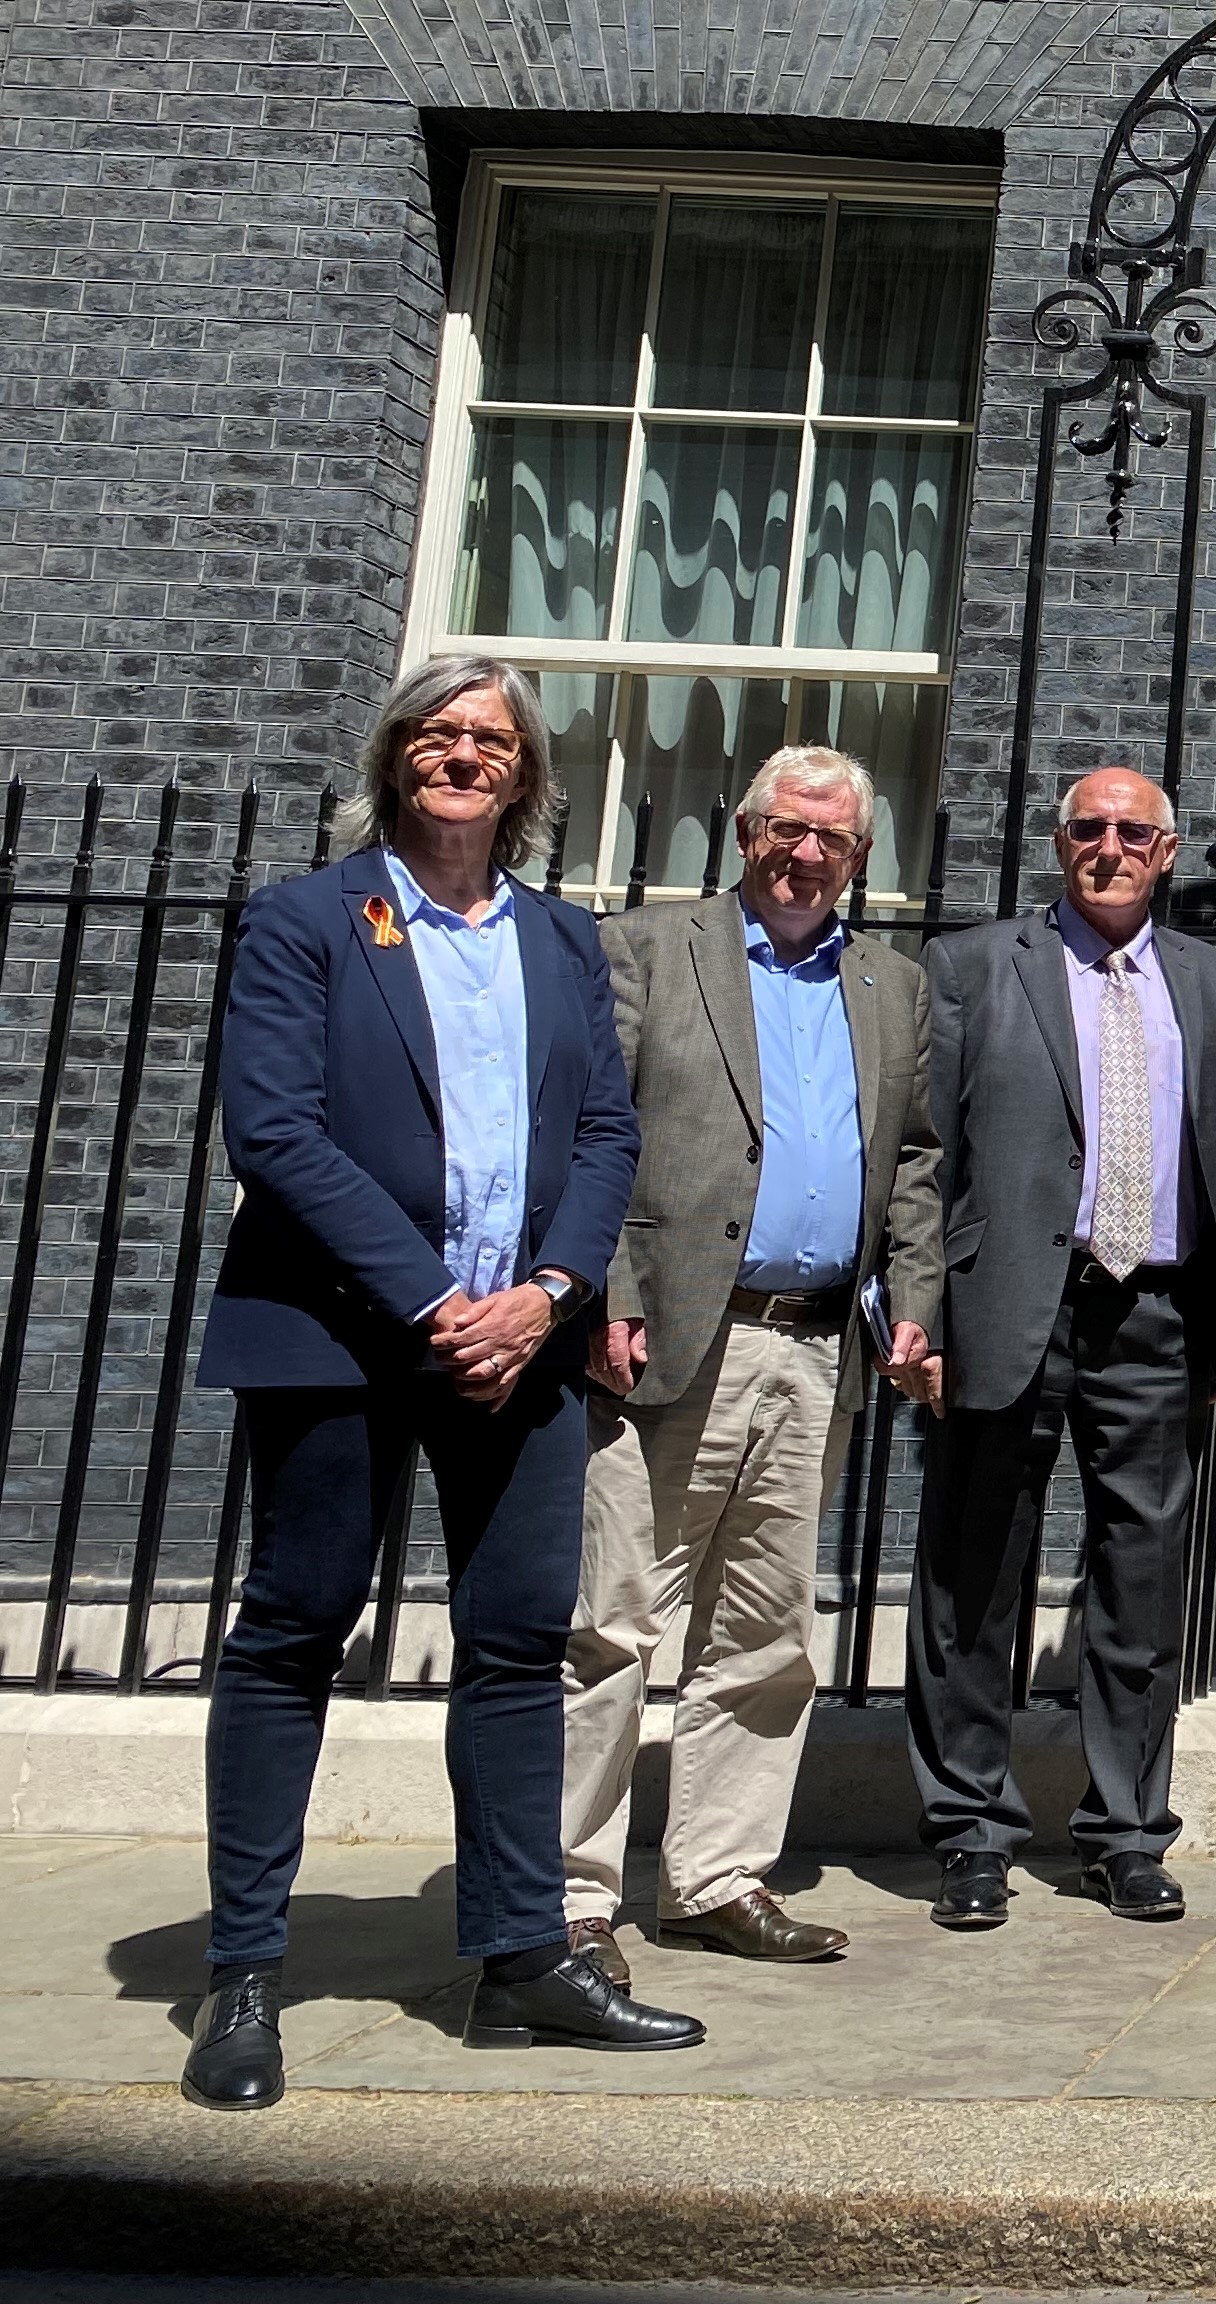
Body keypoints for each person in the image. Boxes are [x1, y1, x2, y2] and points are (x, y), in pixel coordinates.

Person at [185, 654, 701, 2110]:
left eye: (490, 739)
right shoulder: (306, 922)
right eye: (437, 732)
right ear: (395, 754)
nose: (462, 754)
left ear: (524, 777)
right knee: (294, 1631)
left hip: (520, 1351)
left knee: (518, 1643)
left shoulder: (555, 940)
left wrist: (542, 1297)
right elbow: (275, 1135)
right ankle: (244, 1972)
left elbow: (606, 1131)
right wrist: (433, 1300)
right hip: (343, 1336)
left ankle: (523, 1957)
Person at [559, 745, 943, 1982]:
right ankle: (569, 1894)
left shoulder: (892, 985)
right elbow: (592, 1127)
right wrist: (605, 1291)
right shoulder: (650, 951)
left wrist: (915, 1303)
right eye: (787, 828)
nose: (807, 852)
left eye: (832, 836)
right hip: (669, 1338)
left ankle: (717, 1876)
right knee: (614, 1624)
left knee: (767, 1633)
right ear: (744, 832)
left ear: (863, 856)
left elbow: (919, 1163)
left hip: (816, 1343)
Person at [896, 765, 1216, 1934]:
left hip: (1154, 1310)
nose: (1109, 846)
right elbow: (926, 1152)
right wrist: (919, 1308)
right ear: (1061, 845)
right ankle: (970, 1828)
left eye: (1134, 831)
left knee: (1143, 1583)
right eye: (1089, 829)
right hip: (1010, 1302)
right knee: (974, 1576)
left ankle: (1126, 1832)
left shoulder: (1213, 983)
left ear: (1168, 854)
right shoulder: (971, 966)